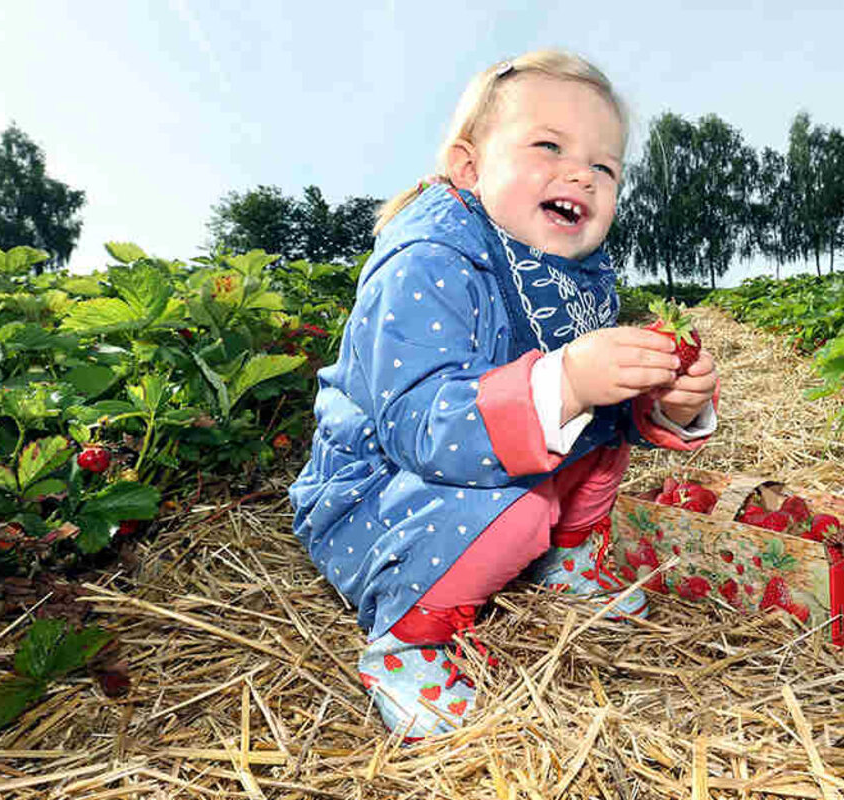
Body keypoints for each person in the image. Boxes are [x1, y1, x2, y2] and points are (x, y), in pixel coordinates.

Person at [288, 49, 719, 741]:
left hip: (472, 448)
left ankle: (565, 562)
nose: (581, 172)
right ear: (469, 167)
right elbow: (419, 427)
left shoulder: (566, 274)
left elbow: (584, 408)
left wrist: (668, 403)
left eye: (605, 167)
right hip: (377, 488)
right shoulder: (425, 260)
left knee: (593, 437)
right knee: (523, 505)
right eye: (548, 145)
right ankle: (408, 643)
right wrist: (568, 381)